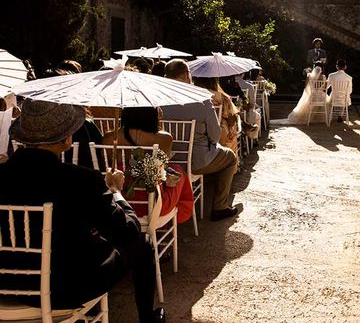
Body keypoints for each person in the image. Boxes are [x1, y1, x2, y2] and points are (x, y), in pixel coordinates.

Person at [0, 100, 165, 323]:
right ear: (67, 137)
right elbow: (128, 231)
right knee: (142, 243)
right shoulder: (82, 180)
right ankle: (147, 318)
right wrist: (115, 191)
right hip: (66, 289)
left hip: (6, 285)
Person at [161, 59, 239, 221]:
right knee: (231, 157)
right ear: (186, 75)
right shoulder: (201, 99)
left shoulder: (158, 100)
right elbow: (215, 135)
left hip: (166, 161)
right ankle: (220, 206)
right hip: (196, 162)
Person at [102, 107, 193, 224]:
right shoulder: (165, 138)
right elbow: (162, 168)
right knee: (179, 171)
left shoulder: (109, 138)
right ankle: (178, 217)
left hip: (117, 199)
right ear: (152, 115)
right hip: (152, 203)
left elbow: (108, 166)